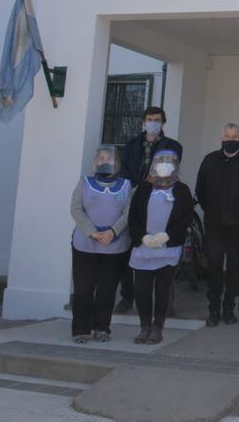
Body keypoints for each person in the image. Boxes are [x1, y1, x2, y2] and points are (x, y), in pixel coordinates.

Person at [195, 123, 239, 327]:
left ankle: (229, 309)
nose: (231, 139)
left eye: (235, 136)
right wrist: (210, 210)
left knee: (234, 266)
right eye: (227, 135)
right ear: (221, 137)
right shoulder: (209, 160)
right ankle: (213, 310)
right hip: (214, 223)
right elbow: (200, 190)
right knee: (215, 265)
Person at [115, 106, 183, 315]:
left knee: (164, 246)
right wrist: (134, 188)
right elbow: (124, 169)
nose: (153, 123)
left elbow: (169, 169)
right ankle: (128, 296)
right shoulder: (132, 145)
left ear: (163, 123)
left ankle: (165, 301)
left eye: (157, 119)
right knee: (131, 245)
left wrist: (152, 185)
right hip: (135, 198)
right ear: (143, 122)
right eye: (150, 119)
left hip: (161, 200)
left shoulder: (172, 146)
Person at [128, 150, 194, 344]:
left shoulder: (181, 190)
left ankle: (158, 327)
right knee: (142, 290)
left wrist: (168, 235)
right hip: (144, 248)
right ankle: (144, 326)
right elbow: (133, 217)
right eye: (160, 161)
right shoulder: (143, 188)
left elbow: (186, 217)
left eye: (169, 162)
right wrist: (142, 236)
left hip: (167, 248)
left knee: (163, 290)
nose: (164, 165)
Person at [70, 145, 132, 343]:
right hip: (85, 245)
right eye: (101, 158)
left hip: (114, 246)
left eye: (109, 158)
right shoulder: (84, 182)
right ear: (95, 161)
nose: (104, 161)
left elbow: (128, 213)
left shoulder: (126, 185)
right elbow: (76, 209)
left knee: (107, 289)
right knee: (83, 289)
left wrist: (113, 231)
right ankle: (81, 330)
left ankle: (102, 328)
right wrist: (92, 232)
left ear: (117, 163)